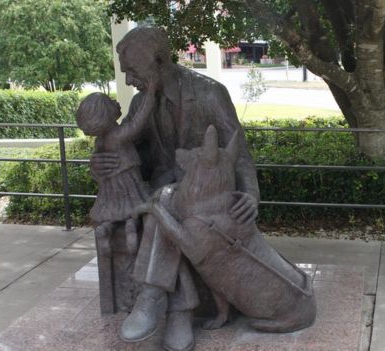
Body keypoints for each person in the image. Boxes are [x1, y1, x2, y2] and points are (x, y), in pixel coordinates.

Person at [90, 27, 260, 351]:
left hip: (207, 196)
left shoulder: (211, 94)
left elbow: (240, 154)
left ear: (158, 60)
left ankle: (152, 295)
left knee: (162, 206)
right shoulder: (142, 102)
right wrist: (101, 166)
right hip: (163, 190)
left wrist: (251, 195)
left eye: (132, 72)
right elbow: (129, 152)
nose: (128, 82)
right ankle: (180, 312)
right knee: (163, 203)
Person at [76, 86, 157, 254]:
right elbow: (137, 124)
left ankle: (106, 229)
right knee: (133, 211)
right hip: (128, 183)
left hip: (110, 188)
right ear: (105, 114)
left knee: (111, 212)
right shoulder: (118, 135)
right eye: (110, 102)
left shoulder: (100, 141)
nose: (115, 101)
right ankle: (131, 230)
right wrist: (150, 95)